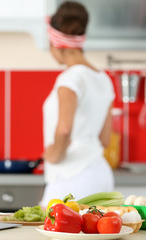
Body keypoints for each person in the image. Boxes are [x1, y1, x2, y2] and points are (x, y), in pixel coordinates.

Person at [40, 1, 115, 207]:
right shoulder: (103, 78)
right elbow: (105, 138)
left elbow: (64, 129)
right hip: (100, 173)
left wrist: (53, 156)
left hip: (72, 177)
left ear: (56, 43)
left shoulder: (70, 79)